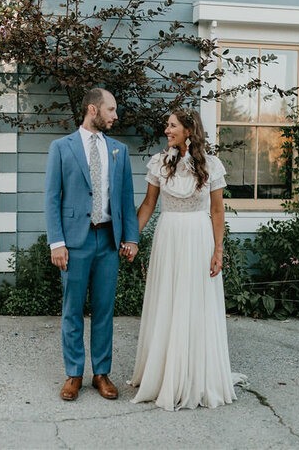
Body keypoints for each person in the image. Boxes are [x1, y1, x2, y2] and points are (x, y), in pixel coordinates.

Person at [129, 108, 244, 411]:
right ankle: (164, 372)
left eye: (172, 126)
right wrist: (132, 236)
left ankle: (195, 374)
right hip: (168, 237)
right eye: (167, 126)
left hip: (197, 237)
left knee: (194, 302)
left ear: (188, 131)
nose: (167, 130)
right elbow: (148, 204)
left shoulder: (212, 166)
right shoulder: (159, 163)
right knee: (168, 299)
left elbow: (217, 211)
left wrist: (218, 250)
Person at [44, 87, 140, 401]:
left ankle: (101, 373)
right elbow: (51, 198)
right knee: (72, 310)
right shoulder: (61, 148)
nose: (116, 116)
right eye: (111, 110)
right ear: (93, 110)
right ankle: (74, 374)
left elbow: (126, 197)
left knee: (104, 310)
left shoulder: (119, 150)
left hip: (108, 240)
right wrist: (57, 242)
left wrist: (131, 237)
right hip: (74, 242)